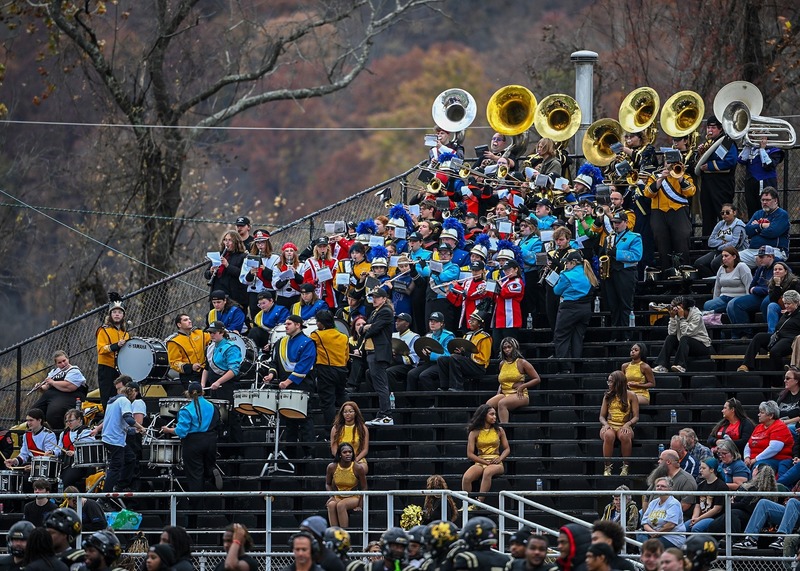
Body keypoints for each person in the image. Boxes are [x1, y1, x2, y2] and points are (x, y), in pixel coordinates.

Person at [262, 314, 317, 459]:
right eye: (285, 324)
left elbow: (304, 365)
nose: (285, 327)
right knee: (288, 419)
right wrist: (271, 375)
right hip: (284, 386)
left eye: (288, 324)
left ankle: (309, 451)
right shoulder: (281, 342)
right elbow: (274, 362)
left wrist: (288, 382)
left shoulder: (308, 342)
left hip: (302, 385)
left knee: (304, 418)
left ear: (298, 325)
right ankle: (290, 451)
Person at [160, 381, 223, 501]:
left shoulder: (186, 410)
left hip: (193, 443)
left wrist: (168, 430)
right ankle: (210, 472)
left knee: (195, 475)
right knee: (206, 467)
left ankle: (196, 505)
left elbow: (181, 431)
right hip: (210, 441)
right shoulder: (212, 406)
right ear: (202, 392)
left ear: (188, 393)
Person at [643, 154, 696, 270]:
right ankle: (666, 273)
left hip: (679, 212)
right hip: (659, 213)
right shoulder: (654, 177)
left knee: (682, 243)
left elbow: (690, 192)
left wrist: (680, 177)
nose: (670, 165)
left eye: (674, 162)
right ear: (664, 163)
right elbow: (648, 193)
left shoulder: (685, 176)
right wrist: (661, 178)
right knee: (662, 246)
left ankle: (684, 274)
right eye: (668, 162)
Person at [552, 249, 597, 372]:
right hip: (586, 308)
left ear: (573, 262)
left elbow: (556, 291)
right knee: (577, 337)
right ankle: (576, 367)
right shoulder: (588, 273)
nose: (565, 265)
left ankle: (564, 368)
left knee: (561, 336)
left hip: (569, 308)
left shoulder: (566, 275)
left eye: (567, 263)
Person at [599, 212, 642, 334]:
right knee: (613, 305)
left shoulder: (634, 237)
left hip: (625, 272)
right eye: (614, 223)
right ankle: (615, 333)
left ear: (626, 223)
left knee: (625, 304)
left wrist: (617, 253)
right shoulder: (609, 238)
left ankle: (627, 334)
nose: (615, 225)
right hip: (611, 272)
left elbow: (637, 255)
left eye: (618, 223)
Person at [100, 383, 144, 502]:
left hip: (111, 438)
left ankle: (120, 485)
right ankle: (104, 498)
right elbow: (128, 419)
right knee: (115, 467)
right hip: (115, 440)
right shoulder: (125, 401)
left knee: (130, 458)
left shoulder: (113, 401)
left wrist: (134, 430)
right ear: (132, 393)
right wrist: (141, 427)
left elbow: (120, 422)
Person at [202, 320, 243, 447]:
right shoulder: (210, 347)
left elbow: (233, 370)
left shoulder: (231, 347)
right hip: (214, 388)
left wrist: (218, 381)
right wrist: (202, 384)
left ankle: (236, 450)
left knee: (231, 418)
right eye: (210, 333)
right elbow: (207, 367)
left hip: (227, 387)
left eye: (214, 333)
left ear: (221, 332)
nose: (212, 335)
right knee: (217, 418)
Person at [737, 289, 800, 372]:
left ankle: (777, 381)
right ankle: (746, 365)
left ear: (797, 303)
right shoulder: (786, 313)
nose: (786, 306)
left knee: (775, 351)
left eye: (789, 304)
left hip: (790, 339)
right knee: (759, 337)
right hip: (778, 336)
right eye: (785, 303)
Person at [360, 287, 396, 426]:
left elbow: (372, 330)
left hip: (378, 352)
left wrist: (366, 328)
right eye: (372, 297)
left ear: (384, 298)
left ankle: (386, 415)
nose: (374, 299)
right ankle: (383, 413)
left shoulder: (385, 311)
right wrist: (365, 327)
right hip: (372, 352)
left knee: (381, 385)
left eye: (377, 297)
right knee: (379, 384)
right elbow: (364, 328)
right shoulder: (376, 312)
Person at [697, 115, 738, 236]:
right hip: (708, 184)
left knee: (723, 215)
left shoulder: (726, 141)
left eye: (713, 127)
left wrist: (709, 166)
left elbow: (730, 161)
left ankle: (726, 243)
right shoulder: (711, 142)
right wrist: (701, 154)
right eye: (708, 127)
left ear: (720, 128)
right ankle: (707, 243)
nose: (709, 130)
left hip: (721, 185)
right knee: (707, 215)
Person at [462, 404, 510, 507]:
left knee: (488, 472)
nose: (495, 417)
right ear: (484, 415)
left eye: (495, 414)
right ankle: (467, 503)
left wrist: (500, 458)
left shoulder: (499, 430)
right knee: (466, 477)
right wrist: (485, 462)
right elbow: (470, 454)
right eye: (492, 414)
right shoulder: (474, 432)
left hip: (496, 462)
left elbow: (507, 449)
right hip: (481, 461)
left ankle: (479, 503)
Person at [310, 310, 349, 427]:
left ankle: (331, 432)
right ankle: (353, 422)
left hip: (326, 369)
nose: (317, 324)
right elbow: (346, 356)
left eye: (318, 322)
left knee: (328, 402)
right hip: (342, 369)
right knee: (342, 395)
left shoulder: (317, 335)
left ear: (321, 323)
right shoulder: (344, 336)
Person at [436, 311, 492, 391]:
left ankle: (457, 387)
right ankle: (444, 386)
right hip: (466, 362)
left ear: (479, 323)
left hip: (478, 366)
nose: (470, 322)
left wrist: (467, 353)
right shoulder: (467, 335)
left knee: (454, 358)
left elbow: (483, 358)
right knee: (442, 359)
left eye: (473, 321)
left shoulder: (484, 337)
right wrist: (460, 352)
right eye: (470, 320)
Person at [487, 338, 540, 423]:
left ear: (514, 347)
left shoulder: (522, 362)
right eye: (504, 348)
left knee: (502, 403)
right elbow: (502, 380)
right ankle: (491, 430)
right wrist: (498, 392)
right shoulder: (502, 364)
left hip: (519, 394)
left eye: (509, 347)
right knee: (488, 405)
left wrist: (523, 386)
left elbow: (537, 379)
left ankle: (504, 431)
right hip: (505, 393)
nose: (507, 349)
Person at [652, 297, 711, 374]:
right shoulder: (676, 315)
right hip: (684, 346)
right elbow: (671, 332)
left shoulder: (696, 315)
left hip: (701, 345)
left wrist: (682, 318)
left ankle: (681, 365)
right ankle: (662, 365)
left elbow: (687, 333)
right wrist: (672, 318)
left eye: (673, 306)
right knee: (670, 338)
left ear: (681, 306)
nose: (672, 309)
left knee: (684, 338)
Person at [31, 350, 87, 430]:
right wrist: (40, 387)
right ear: (56, 364)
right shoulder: (54, 372)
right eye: (59, 363)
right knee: (34, 413)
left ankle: (60, 433)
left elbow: (69, 386)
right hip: (51, 396)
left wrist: (53, 382)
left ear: (68, 359)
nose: (63, 364)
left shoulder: (74, 371)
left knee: (54, 413)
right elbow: (46, 387)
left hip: (68, 396)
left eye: (64, 361)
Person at [727, 245, 775, 339]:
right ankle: (746, 333)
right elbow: (751, 286)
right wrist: (756, 289)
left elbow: (770, 289)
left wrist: (756, 289)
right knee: (736, 303)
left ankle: (769, 334)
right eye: (758, 256)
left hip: (773, 295)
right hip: (759, 295)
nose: (759, 259)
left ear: (770, 256)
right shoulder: (761, 268)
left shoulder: (778, 266)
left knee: (766, 303)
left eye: (762, 257)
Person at [599, 371, 639, 477]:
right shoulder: (607, 396)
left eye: (611, 381)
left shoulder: (631, 395)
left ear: (618, 382)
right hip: (610, 424)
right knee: (608, 435)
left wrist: (628, 424)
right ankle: (607, 467)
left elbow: (636, 416)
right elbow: (601, 416)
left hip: (624, 425)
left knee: (625, 436)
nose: (609, 384)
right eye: (608, 381)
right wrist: (605, 424)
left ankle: (625, 466)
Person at [405, 311, 455, 393]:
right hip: (429, 363)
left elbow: (448, 355)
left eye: (435, 321)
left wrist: (431, 355)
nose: (432, 323)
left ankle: (433, 401)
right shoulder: (428, 335)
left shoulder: (448, 336)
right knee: (411, 374)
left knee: (424, 375)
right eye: (431, 321)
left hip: (441, 365)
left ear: (442, 323)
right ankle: (410, 402)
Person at [740, 187, 790, 268]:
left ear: (776, 200)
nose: (764, 202)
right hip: (752, 250)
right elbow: (748, 230)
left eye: (768, 200)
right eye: (763, 200)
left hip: (775, 250)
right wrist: (761, 226)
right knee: (731, 260)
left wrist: (756, 229)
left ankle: (761, 280)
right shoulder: (758, 213)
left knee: (761, 259)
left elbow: (772, 232)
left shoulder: (782, 214)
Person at [694, 203, 748, 278]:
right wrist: (722, 242)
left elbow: (735, 245)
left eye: (728, 212)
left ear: (734, 212)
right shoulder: (720, 224)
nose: (725, 214)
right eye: (722, 213)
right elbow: (710, 242)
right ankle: (713, 283)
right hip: (720, 251)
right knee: (699, 263)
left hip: (735, 252)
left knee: (715, 263)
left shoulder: (738, 225)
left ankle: (724, 281)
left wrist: (719, 246)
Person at [742, 400, 794, 474]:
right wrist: (746, 457)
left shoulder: (779, 426)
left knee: (758, 468)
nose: (758, 415)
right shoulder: (758, 427)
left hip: (775, 459)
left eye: (762, 413)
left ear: (771, 415)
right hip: (754, 459)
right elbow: (748, 445)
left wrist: (755, 459)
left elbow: (774, 448)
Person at [95, 299, 129, 409]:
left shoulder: (125, 333)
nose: (117, 314)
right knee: (108, 398)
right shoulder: (103, 330)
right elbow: (101, 349)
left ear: (123, 315)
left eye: (120, 312)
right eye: (114, 312)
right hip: (107, 368)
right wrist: (116, 345)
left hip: (121, 368)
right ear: (110, 315)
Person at [326, 442, 367, 529]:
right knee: (331, 505)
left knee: (341, 505)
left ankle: (344, 535)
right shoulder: (332, 467)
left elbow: (364, 487)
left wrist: (360, 505)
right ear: (340, 454)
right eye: (345, 452)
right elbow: (328, 484)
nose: (348, 454)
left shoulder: (358, 468)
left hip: (353, 496)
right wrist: (332, 496)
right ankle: (335, 534)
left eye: (350, 452)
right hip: (338, 495)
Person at [4, 408, 57, 476]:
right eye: (27, 420)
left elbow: (49, 457)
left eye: (31, 420)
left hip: (44, 467)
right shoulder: (26, 435)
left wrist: (34, 467)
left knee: (26, 479)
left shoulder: (49, 434)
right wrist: (14, 461)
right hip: (31, 464)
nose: (28, 423)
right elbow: (24, 454)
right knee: (11, 474)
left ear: (39, 420)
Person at [241, 228, 280, 318]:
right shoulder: (248, 259)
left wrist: (265, 270)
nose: (260, 245)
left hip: (269, 293)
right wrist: (251, 274)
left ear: (267, 243)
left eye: (263, 242)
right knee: (256, 318)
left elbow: (276, 277)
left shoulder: (275, 258)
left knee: (270, 317)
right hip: (254, 293)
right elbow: (243, 279)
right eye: (258, 243)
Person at [204, 230, 248, 309]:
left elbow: (242, 274)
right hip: (217, 292)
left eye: (230, 240)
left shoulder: (242, 256)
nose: (227, 242)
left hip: (233, 294)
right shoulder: (219, 255)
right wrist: (211, 271)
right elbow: (206, 274)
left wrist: (227, 265)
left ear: (236, 242)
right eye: (225, 240)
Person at [701, 246, 752, 315]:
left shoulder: (742, 267)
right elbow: (717, 287)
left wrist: (747, 301)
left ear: (734, 256)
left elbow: (748, 285)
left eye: (726, 256)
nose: (723, 258)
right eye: (722, 256)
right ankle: (719, 310)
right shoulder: (721, 268)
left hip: (738, 297)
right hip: (723, 297)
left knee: (733, 305)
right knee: (707, 305)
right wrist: (715, 299)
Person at [637, 476, 685, 548]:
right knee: (640, 535)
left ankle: (646, 555)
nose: (659, 488)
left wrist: (657, 533)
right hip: (653, 535)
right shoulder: (653, 503)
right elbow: (644, 522)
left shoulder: (673, 503)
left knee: (652, 545)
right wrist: (652, 532)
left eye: (663, 486)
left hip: (671, 538)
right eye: (657, 486)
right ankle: (645, 556)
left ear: (670, 489)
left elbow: (671, 525)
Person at [166, 313, 211, 390]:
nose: (189, 321)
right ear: (179, 324)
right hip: (189, 374)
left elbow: (213, 338)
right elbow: (174, 362)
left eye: (189, 319)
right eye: (185, 320)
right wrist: (191, 367)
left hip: (205, 372)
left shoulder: (199, 333)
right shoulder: (174, 341)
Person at [53, 408, 94, 491]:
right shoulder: (64, 433)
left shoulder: (86, 432)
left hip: (80, 465)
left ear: (79, 419)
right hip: (66, 463)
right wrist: (52, 452)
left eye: (71, 421)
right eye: (67, 421)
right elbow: (59, 449)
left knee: (66, 480)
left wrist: (75, 453)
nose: (68, 423)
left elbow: (88, 450)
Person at [683, 458, 727, 534]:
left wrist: (699, 518)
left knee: (696, 528)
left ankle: (699, 545)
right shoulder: (701, 485)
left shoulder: (721, 486)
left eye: (703, 468)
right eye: (700, 468)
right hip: (701, 516)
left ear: (711, 470)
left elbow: (717, 509)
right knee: (684, 528)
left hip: (714, 517)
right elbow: (697, 505)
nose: (700, 470)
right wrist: (694, 518)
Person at [330, 402, 369, 473]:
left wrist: (355, 460)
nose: (347, 414)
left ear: (355, 413)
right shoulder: (336, 428)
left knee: (360, 469)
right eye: (345, 412)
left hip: (358, 459)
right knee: (332, 469)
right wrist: (341, 459)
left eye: (350, 411)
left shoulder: (363, 428)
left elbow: (365, 449)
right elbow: (334, 448)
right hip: (341, 459)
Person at [302, 237, 338, 309]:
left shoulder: (334, 261)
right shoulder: (309, 261)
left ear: (328, 248)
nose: (322, 249)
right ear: (316, 248)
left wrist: (328, 275)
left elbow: (336, 281)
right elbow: (305, 281)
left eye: (324, 246)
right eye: (320, 247)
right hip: (315, 294)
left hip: (329, 295)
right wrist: (315, 280)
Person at [765, 261, 800, 333]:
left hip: (795, 308)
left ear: (786, 271)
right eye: (775, 269)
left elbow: (797, 299)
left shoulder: (794, 282)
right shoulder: (772, 284)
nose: (777, 271)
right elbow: (773, 300)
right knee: (772, 306)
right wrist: (777, 285)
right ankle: (772, 333)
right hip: (781, 307)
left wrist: (790, 309)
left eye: (780, 269)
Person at [276, 242, 305, 308]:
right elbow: (276, 284)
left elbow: (303, 281)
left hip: (296, 295)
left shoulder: (301, 266)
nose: (289, 253)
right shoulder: (278, 267)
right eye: (287, 251)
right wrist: (286, 276)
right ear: (283, 253)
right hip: (282, 296)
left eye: (291, 251)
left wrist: (295, 274)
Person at [778, 366, 800, 434]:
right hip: (780, 424)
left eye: (787, 378)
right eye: (784, 378)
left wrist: (786, 422)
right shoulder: (782, 395)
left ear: (796, 381)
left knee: (788, 428)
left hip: (795, 426)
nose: (785, 381)